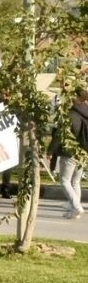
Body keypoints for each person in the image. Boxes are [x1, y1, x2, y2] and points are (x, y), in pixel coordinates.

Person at [56, 87, 87, 219]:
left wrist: (51, 150)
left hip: (70, 152)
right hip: (83, 152)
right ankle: (74, 210)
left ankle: (76, 206)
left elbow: (63, 134)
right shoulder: (85, 112)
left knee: (64, 181)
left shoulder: (72, 114)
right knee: (76, 181)